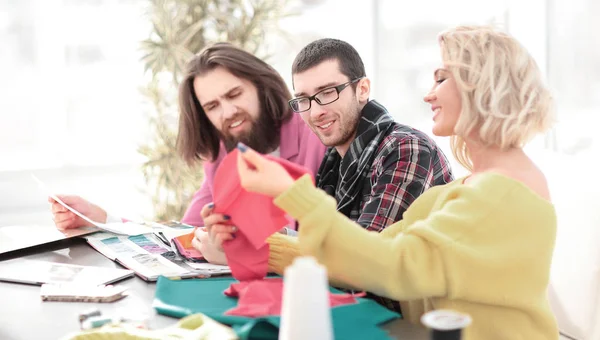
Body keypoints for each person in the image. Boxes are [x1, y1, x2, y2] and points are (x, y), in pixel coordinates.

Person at [215, 26, 559, 339]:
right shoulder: (467, 189)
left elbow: (389, 267)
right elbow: (362, 254)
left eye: (441, 79)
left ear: (484, 84)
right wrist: (250, 244)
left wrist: (291, 194)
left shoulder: (499, 192)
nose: (428, 96)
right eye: (305, 99)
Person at [197, 38, 452, 311]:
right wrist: (242, 237)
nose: (316, 111)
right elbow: (323, 247)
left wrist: (252, 251)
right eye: (304, 100)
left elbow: (363, 268)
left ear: (362, 89)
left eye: (328, 92)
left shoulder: (405, 148)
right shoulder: (333, 161)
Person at [49, 43, 326, 231]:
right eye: (212, 106)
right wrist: (102, 220)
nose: (228, 112)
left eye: (234, 94)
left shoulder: (315, 132)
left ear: (261, 86)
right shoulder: (222, 157)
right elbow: (184, 236)